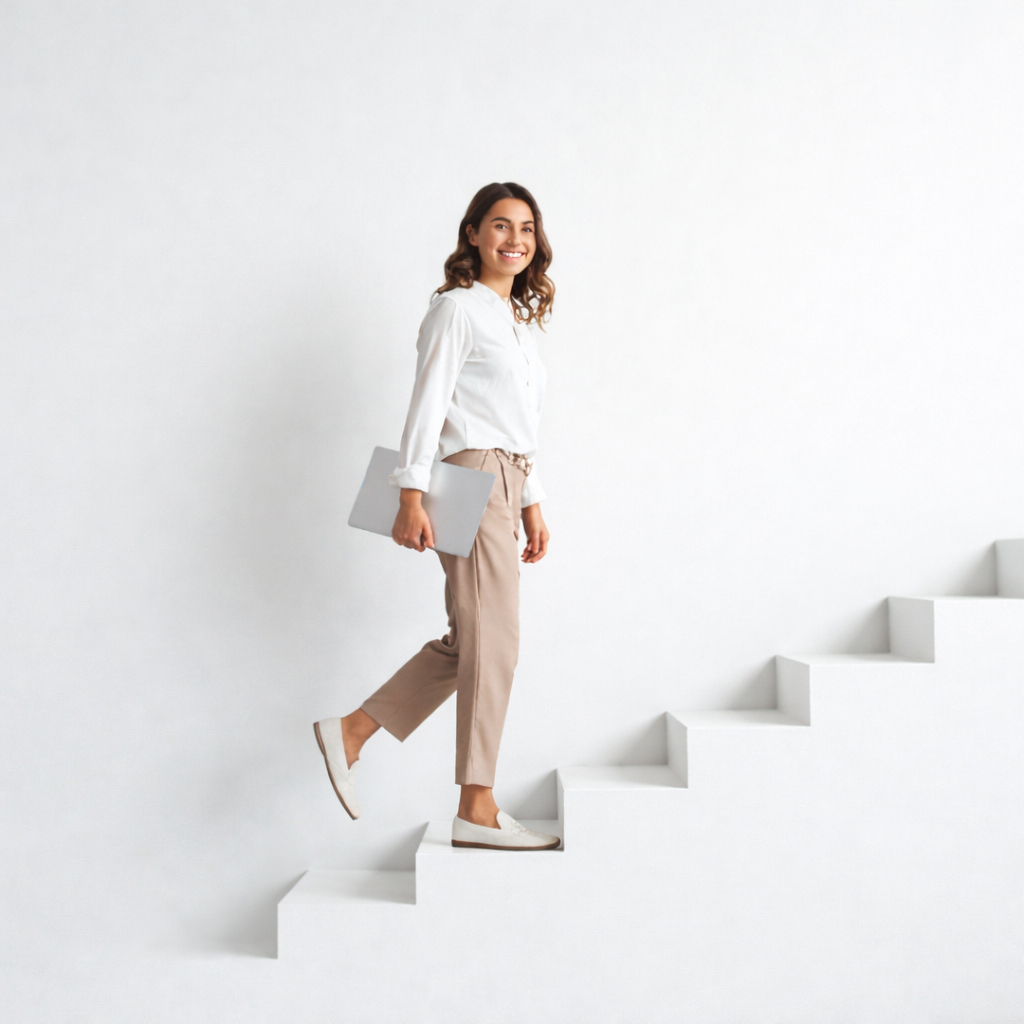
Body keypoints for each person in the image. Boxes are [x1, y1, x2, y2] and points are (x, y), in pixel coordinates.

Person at [314, 182, 559, 851]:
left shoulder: (514, 324)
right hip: (470, 473)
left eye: (528, 229)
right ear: (474, 233)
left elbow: (521, 425)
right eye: (501, 226)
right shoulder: (457, 311)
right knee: (495, 642)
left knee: (478, 638)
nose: (515, 240)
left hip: (506, 478)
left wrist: (534, 500)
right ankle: (476, 806)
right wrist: (409, 493)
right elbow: (429, 404)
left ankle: (353, 731)